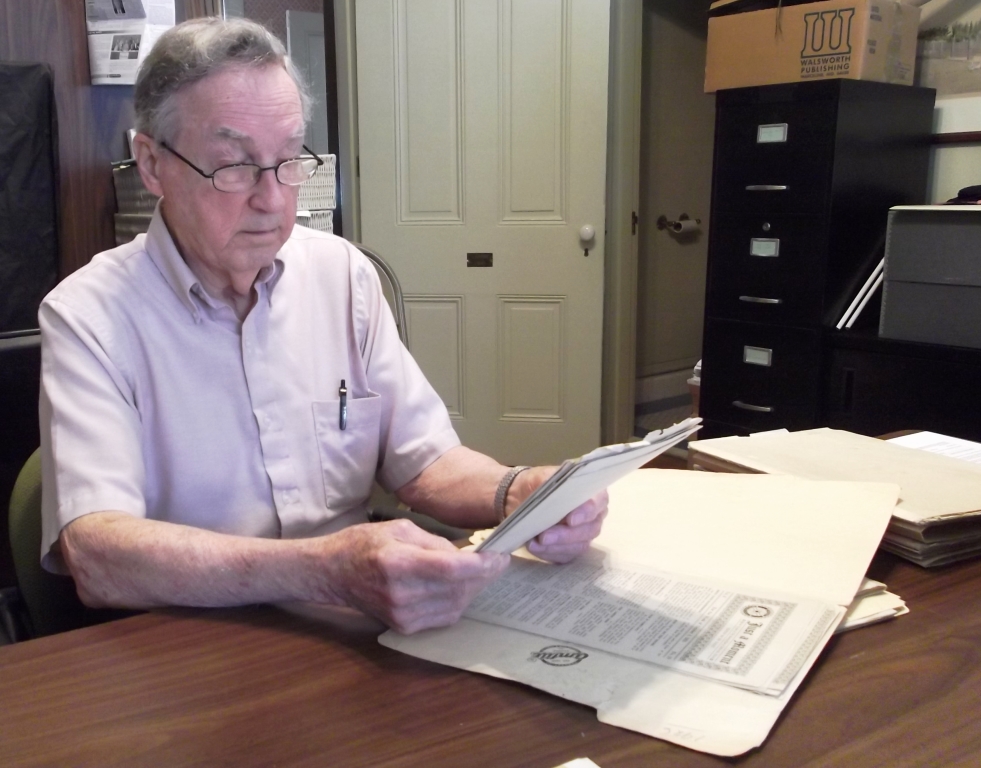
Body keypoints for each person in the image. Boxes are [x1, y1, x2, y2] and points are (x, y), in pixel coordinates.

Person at [39, 17, 607, 635]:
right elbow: (97, 555)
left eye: (289, 159)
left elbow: (422, 462)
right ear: (151, 164)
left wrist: (519, 491)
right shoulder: (89, 317)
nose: (273, 199)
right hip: (188, 647)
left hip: (356, 631)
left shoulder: (342, 275)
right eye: (232, 165)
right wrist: (322, 569)